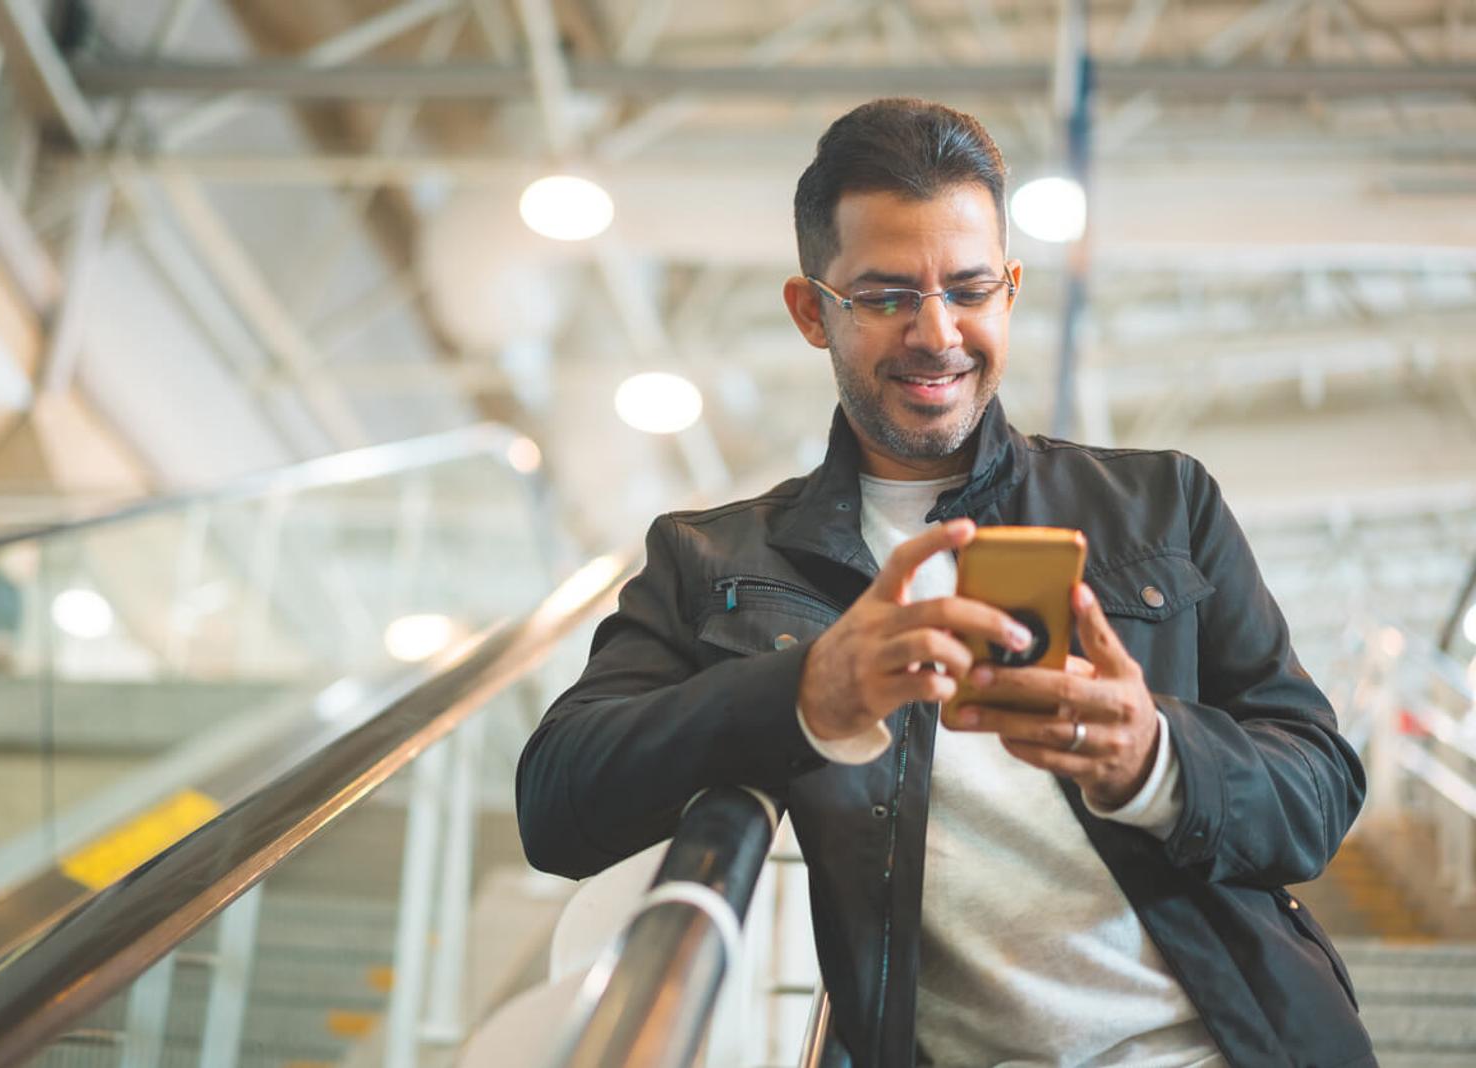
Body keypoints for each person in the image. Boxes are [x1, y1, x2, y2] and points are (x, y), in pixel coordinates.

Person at [516, 98, 1371, 1068]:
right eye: (883, 297)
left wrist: (1157, 760)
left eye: (968, 289)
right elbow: (557, 802)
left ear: (1008, 292)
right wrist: (805, 694)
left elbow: (1321, 785)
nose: (936, 333)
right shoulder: (714, 563)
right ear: (810, 312)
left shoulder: (1163, 503)